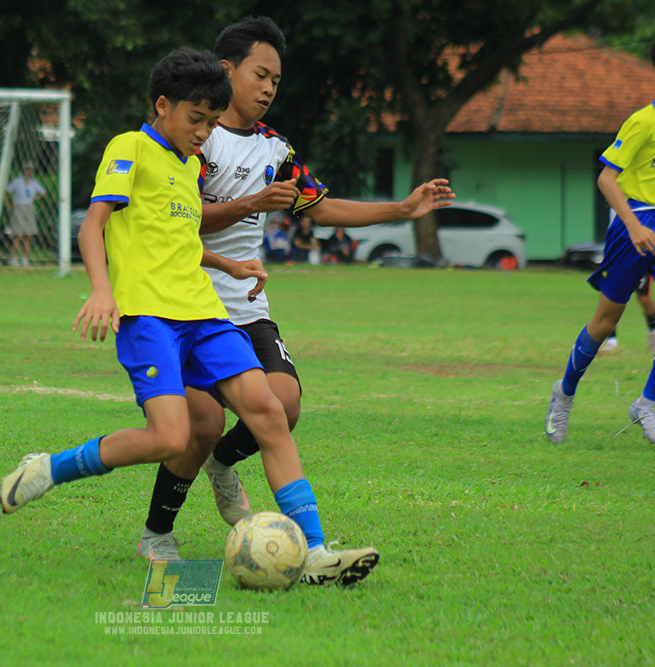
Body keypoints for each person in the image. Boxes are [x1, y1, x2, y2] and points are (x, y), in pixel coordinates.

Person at [0, 47, 375, 588]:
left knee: (269, 411)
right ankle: (49, 468)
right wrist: (102, 290)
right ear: (163, 105)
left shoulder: (190, 164)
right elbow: (92, 225)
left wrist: (229, 262)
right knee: (171, 438)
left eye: (209, 122)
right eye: (195, 120)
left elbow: (181, 242)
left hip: (205, 312)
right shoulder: (130, 148)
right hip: (151, 319)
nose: (203, 132)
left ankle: (315, 550)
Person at [136, 16, 453, 569]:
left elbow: (320, 206)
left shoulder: (274, 148)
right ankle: (157, 532)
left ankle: (229, 471)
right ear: (225, 70)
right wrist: (247, 207)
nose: (267, 89)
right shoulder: (190, 140)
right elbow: (176, 223)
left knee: (285, 405)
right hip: (189, 301)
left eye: (276, 82)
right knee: (205, 423)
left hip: (247, 306)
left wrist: (400, 209)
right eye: (260, 75)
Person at [545, 29, 655, 446]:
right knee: (606, 323)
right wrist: (634, 225)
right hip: (633, 225)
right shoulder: (644, 122)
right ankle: (564, 393)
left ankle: (645, 404)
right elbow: (607, 178)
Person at [599, 273, 655, 353]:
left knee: (644, 298)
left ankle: (653, 334)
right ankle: (611, 340)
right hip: (620, 264)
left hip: (642, 265)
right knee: (612, 297)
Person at [4, 164, 46, 267]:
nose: (29, 172)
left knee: (28, 234)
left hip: (29, 207)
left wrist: (35, 198)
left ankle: (25, 258)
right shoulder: (17, 181)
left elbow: (43, 193)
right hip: (19, 207)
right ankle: (13, 258)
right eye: (27, 170)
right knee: (18, 234)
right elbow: (6, 191)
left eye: (31, 170)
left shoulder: (34, 183)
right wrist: (9, 204)